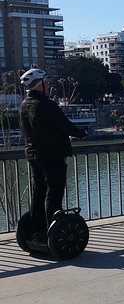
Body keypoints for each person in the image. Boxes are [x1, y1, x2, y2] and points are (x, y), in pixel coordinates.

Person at [18, 68, 88, 237]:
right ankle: (52, 229)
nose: (49, 85)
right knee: (54, 193)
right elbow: (64, 124)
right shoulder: (46, 105)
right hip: (51, 155)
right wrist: (80, 133)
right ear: (38, 85)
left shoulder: (24, 105)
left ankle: (38, 229)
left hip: (33, 154)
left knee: (38, 191)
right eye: (47, 83)